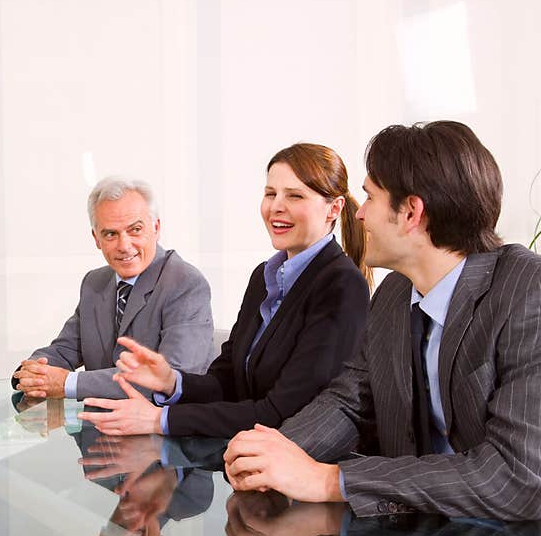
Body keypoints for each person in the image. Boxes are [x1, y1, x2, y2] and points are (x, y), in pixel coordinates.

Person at [223, 120, 541, 521]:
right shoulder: (392, 295)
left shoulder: (529, 290)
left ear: (411, 212)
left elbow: (517, 477)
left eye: (370, 198)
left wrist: (329, 480)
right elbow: (349, 402)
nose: (360, 216)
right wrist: (274, 454)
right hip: (416, 530)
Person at [79, 144, 372, 437]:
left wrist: (161, 419)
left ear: (334, 208)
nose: (276, 206)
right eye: (270, 193)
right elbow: (228, 380)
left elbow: (281, 413)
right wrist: (171, 382)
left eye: (295, 195)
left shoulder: (341, 286)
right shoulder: (264, 277)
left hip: (301, 467)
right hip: (245, 457)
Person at [12, 176, 214, 401]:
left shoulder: (185, 283)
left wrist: (68, 383)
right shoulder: (94, 283)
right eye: (110, 234)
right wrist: (32, 373)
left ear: (156, 228)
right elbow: (64, 350)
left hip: (164, 428)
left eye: (135, 229)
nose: (124, 245)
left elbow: (171, 379)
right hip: (99, 427)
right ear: (96, 238)